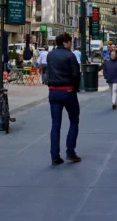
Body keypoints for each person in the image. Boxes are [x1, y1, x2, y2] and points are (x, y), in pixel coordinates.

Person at [47, 32, 82, 165]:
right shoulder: (70, 55)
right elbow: (75, 75)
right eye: (69, 42)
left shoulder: (50, 55)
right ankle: (70, 152)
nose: (70, 45)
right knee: (74, 121)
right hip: (67, 90)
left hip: (53, 92)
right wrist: (76, 88)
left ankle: (55, 156)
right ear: (65, 43)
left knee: (55, 125)